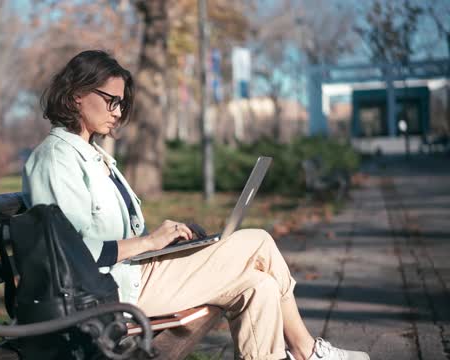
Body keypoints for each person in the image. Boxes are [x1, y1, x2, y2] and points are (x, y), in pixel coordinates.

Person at [22, 50, 369, 360]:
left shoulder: (95, 156)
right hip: (107, 294)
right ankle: (308, 352)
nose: (117, 112)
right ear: (76, 95)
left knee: (258, 286)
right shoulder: (56, 158)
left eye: (122, 104)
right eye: (111, 100)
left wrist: (166, 242)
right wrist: (148, 243)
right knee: (259, 240)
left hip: (134, 275)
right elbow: (72, 254)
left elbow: (115, 234)